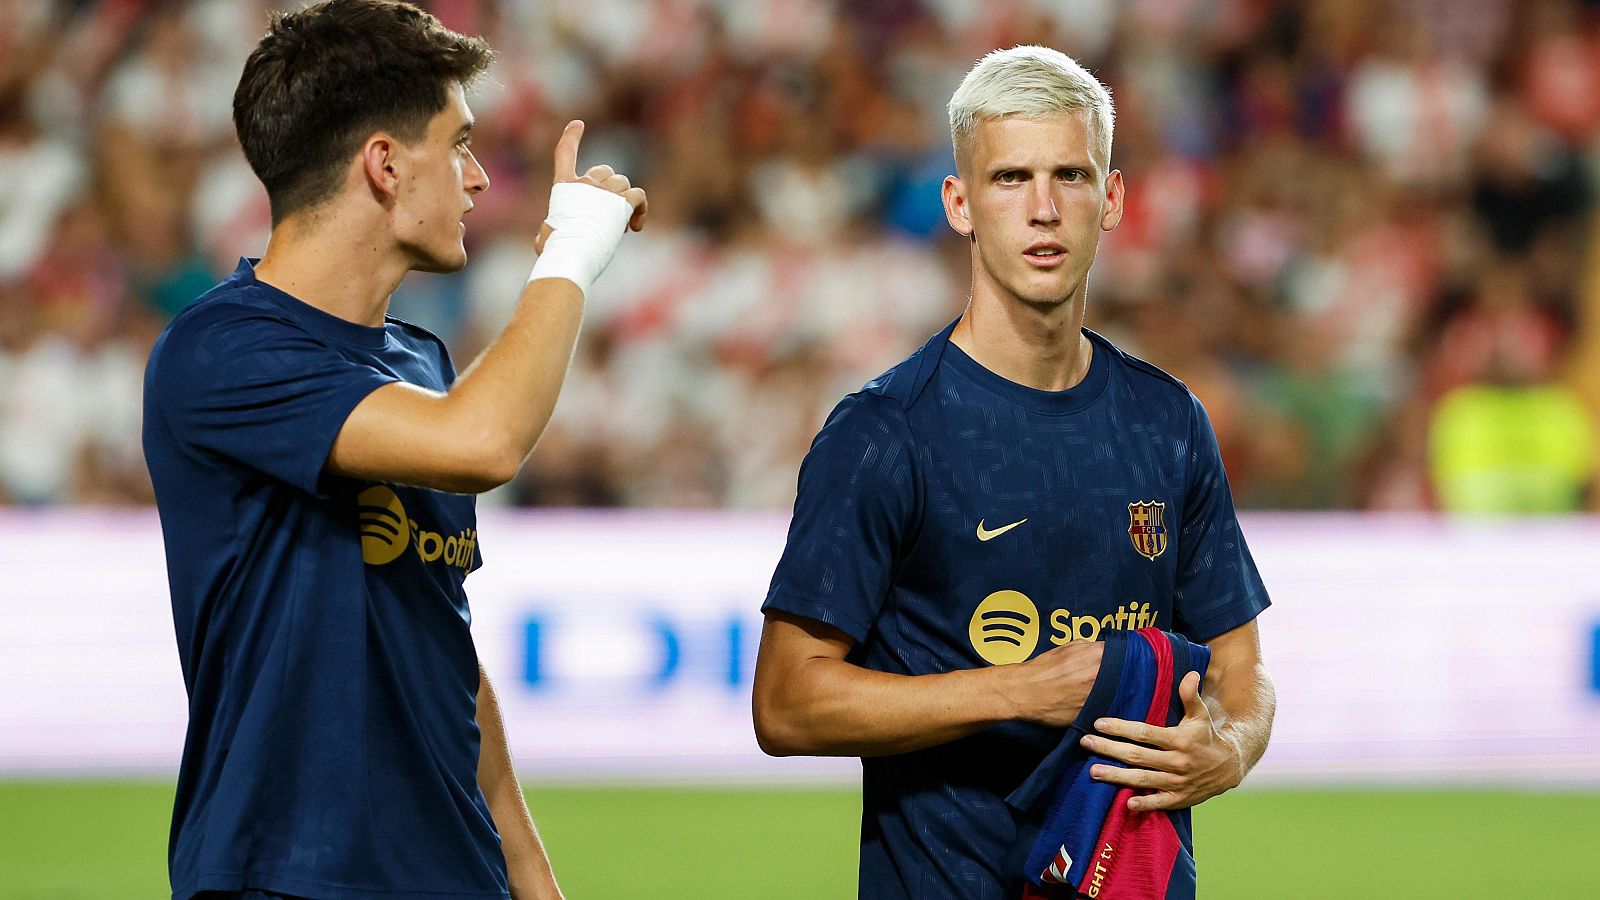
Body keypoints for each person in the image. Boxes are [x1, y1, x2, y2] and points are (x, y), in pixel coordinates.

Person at [142, 2, 644, 898]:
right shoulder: (221, 351)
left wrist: (533, 880)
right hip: (287, 877)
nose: (480, 178)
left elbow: (437, 634)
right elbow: (485, 441)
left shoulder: (419, 362)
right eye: (458, 144)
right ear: (382, 164)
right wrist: (572, 250)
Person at [752, 45, 1275, 898]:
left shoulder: (1167, 420)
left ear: (1110, 201)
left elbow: (1239, 670)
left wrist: (1230, 744)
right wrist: (1023, 688)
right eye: (1009, 179)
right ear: (960, 203)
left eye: (1070, 176)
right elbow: (784, 704)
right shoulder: (885, 433)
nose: (1043, 209)